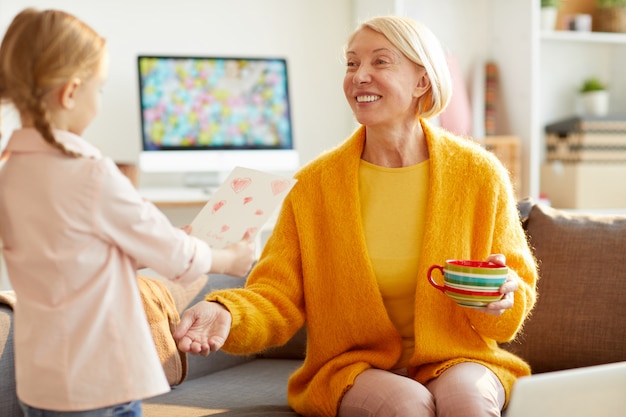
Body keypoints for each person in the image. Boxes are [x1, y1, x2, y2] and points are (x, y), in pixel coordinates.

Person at [174, 15, 538, 417]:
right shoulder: (314, 185)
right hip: (355, 366)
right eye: (352, 63)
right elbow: (277, 296)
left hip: (459, 357)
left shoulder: (479, 175)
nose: (360, 75)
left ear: (422, 81)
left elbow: (514, 289)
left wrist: (501, 298)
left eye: (380, 62)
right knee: (407, 405)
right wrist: (226, 312)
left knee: (467, 402)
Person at [0, 8, 255, 417]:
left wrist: (161, 241)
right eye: (98, 90)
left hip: (42, 382)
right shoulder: (90, 171)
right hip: (100, 381)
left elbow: (73, 257)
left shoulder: (11, 172)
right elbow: (177, 258)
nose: (99, 101)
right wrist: (231, 258)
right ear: (71, 92)